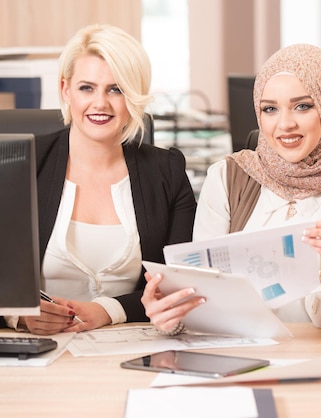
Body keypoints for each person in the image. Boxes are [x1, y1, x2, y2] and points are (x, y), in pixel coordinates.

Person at [142, 43, 321, 333]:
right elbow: (202, 293)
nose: (285, 124)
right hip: (232, 351)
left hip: (316, 358)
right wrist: (171, 315)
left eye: (303, 106)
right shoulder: (226, 177)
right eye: (270, 109)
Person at [1, 24, 196, 335]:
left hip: (133, 348)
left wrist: (109, 309)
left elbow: (180, 282)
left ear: (133, 94)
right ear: (66, 90)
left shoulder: (167, 172)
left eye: (116, 89)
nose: (100, 104)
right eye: (86, 88)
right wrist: (18, 316)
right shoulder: (19, 163)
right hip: (39, 352)